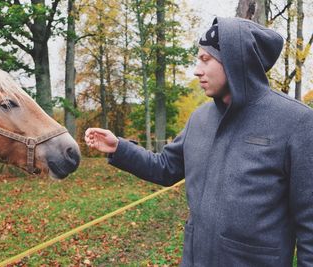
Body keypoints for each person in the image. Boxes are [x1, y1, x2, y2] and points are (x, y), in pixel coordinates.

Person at [84, 17, 313, 267]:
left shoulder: (296, 122)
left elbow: (309, 222)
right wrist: (119, 147)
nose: (197, 69)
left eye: (206, 59)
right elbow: (165, 167)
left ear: (237, 61)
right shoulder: (200, 119)